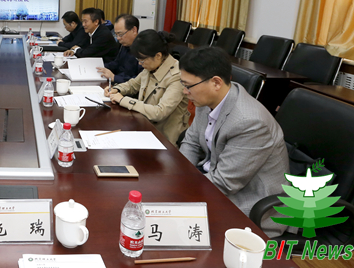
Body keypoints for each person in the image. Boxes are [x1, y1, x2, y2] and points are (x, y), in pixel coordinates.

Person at [178, 47, 288, 237]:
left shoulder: (250, 122)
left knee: (176, 228)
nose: (184, 91)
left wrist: (179, 191)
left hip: (248, 202)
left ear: (216, 82)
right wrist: (180, 177)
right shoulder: (207, 98)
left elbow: (224, 183)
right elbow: (191, 143)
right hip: (211, 179)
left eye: (188, 86)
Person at [105, 30, 189, 145]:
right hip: (143, 126)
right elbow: (134, 84)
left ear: (158, 55)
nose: (140, 63)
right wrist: (117, 89)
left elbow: (159, 112)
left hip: (164, 138)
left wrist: (123, 100)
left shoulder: (177, 76)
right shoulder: (153, 66)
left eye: (142, 60)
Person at [97, 14, 142, 84]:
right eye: (116, 34)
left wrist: (114, 77)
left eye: (120, 34)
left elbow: (140, 80)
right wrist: (100, 67)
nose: (118, 38)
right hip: (118, 83)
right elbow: (116, 63)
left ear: (134, 30)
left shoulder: (144, 50)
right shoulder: (124, 45)